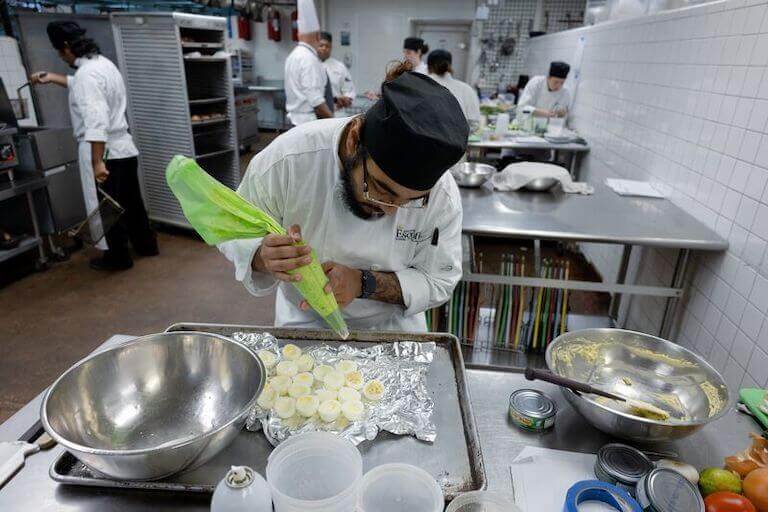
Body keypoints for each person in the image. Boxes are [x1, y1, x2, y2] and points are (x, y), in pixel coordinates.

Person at [218, 63, 469, 332]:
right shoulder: (289, 158)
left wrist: (363, 283)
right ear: (353, 140)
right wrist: (261, 254)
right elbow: (231, 229)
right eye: (381, 189)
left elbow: (440, 279)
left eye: (409, 201)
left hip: (392, 328)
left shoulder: (442, 196)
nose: (390, 211)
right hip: (304, 324)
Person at [30, 21, 157, 271]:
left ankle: (118, 258)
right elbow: (85, 86)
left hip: (104, 150)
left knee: (106, 207)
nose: (60, 55)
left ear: (66, 47)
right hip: (125, 148)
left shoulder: (86, 75)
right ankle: (146, 246)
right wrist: (53, 78)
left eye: (59, 51)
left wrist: (97, 161)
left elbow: (95, 120)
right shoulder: (103, 65)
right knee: (131, 203)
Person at [284, 0, 334, 126]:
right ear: (317, 36)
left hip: (295, 120)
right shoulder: (309, 59)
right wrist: (334, 122)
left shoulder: (293, 55)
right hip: (307, 123)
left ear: (298, 34)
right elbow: (316, 101)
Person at [427, 49, 480, 124]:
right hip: (459, 135)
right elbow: (474, 122)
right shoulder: (466, 89)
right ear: (450, 66)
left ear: (428, 68)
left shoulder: (420, 87)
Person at [317, 31, 356, 111]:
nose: (324, 48)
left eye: (327, 46)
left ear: (331, 47)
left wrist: (346, 99)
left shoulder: (339, 67)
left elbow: (349, 91)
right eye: (321, 45)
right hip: (316, 114)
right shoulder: (310, 65)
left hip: (336, 112)